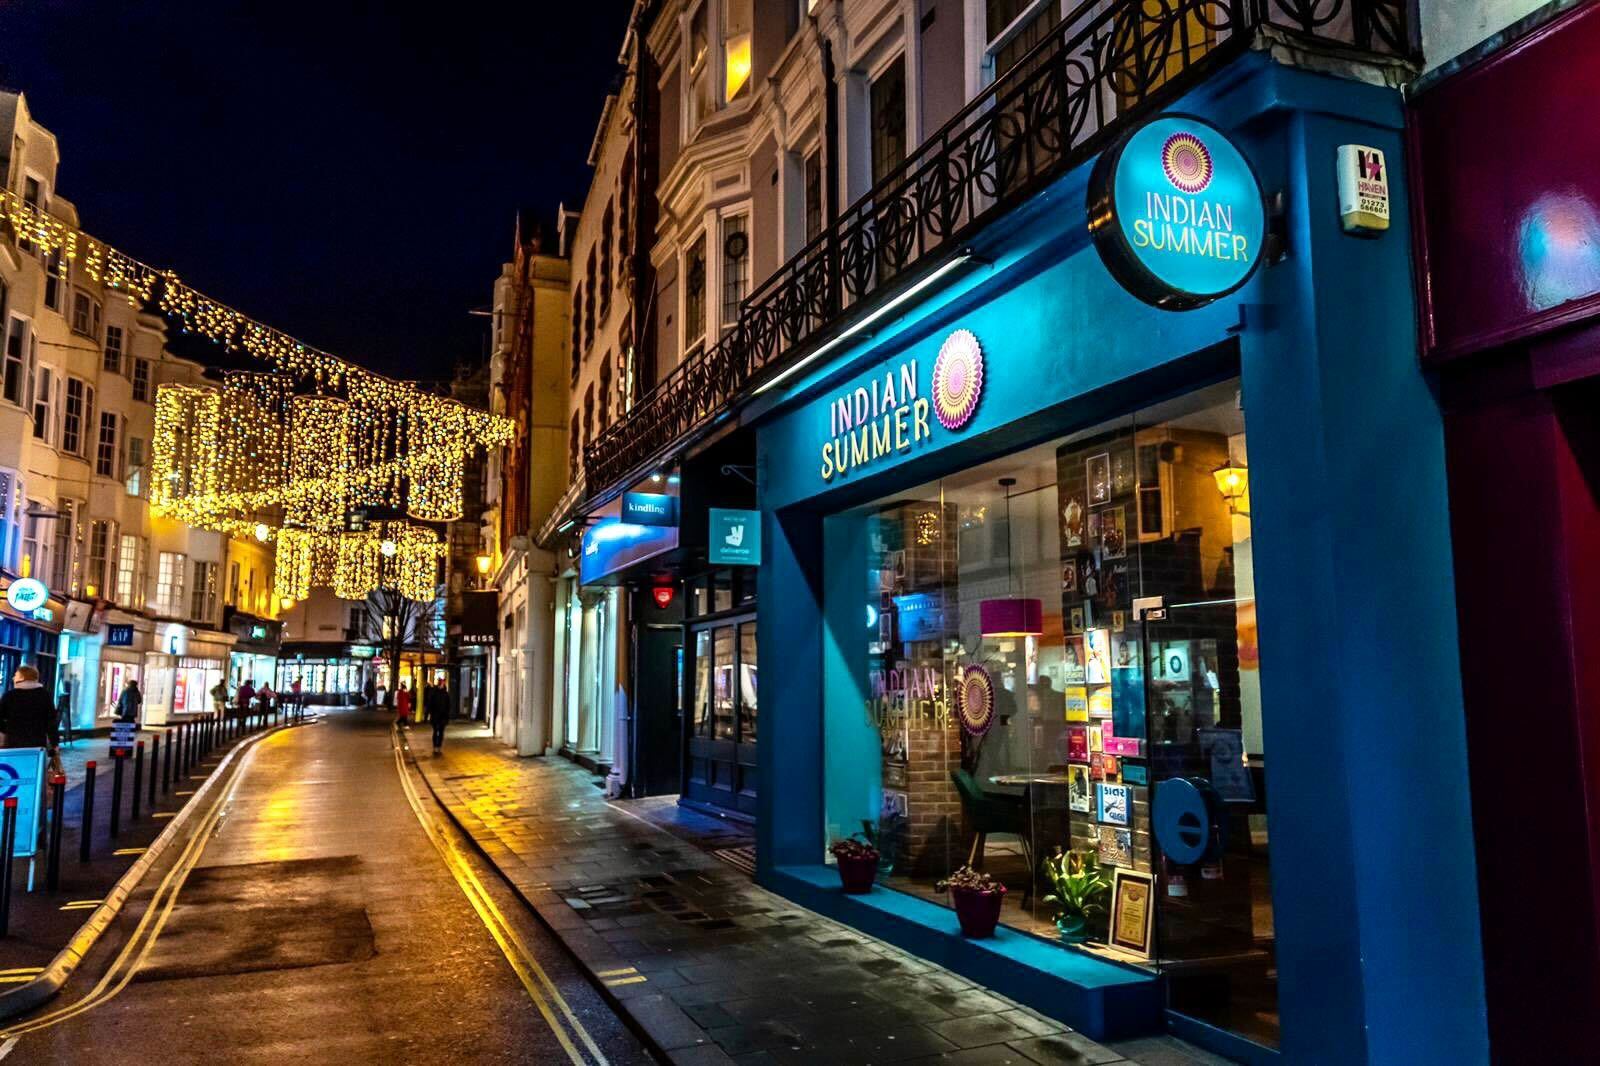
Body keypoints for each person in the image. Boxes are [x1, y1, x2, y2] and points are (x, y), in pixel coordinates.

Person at [0, 665, 60, 755]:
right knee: (35, 767)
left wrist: (7, 729)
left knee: (16, 767)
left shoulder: (10, 696)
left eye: (16, 675)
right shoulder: (44, 695)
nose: (13, 678)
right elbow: (51, 721)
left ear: (22, 677)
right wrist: (55, 743)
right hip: (37, 743)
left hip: (14, 742)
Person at [424, 677, 450, 755]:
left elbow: (448, 706)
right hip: (435, 716)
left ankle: (438, 747)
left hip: (442, 716)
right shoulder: (434, 693)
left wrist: (447, 716)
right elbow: (429, 705)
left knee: (441, 732)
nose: (442, 684)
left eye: (442, 682)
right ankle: (435, 747)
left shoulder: (445, 694)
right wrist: (426, 715)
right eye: (441, 682)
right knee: (436, 731)